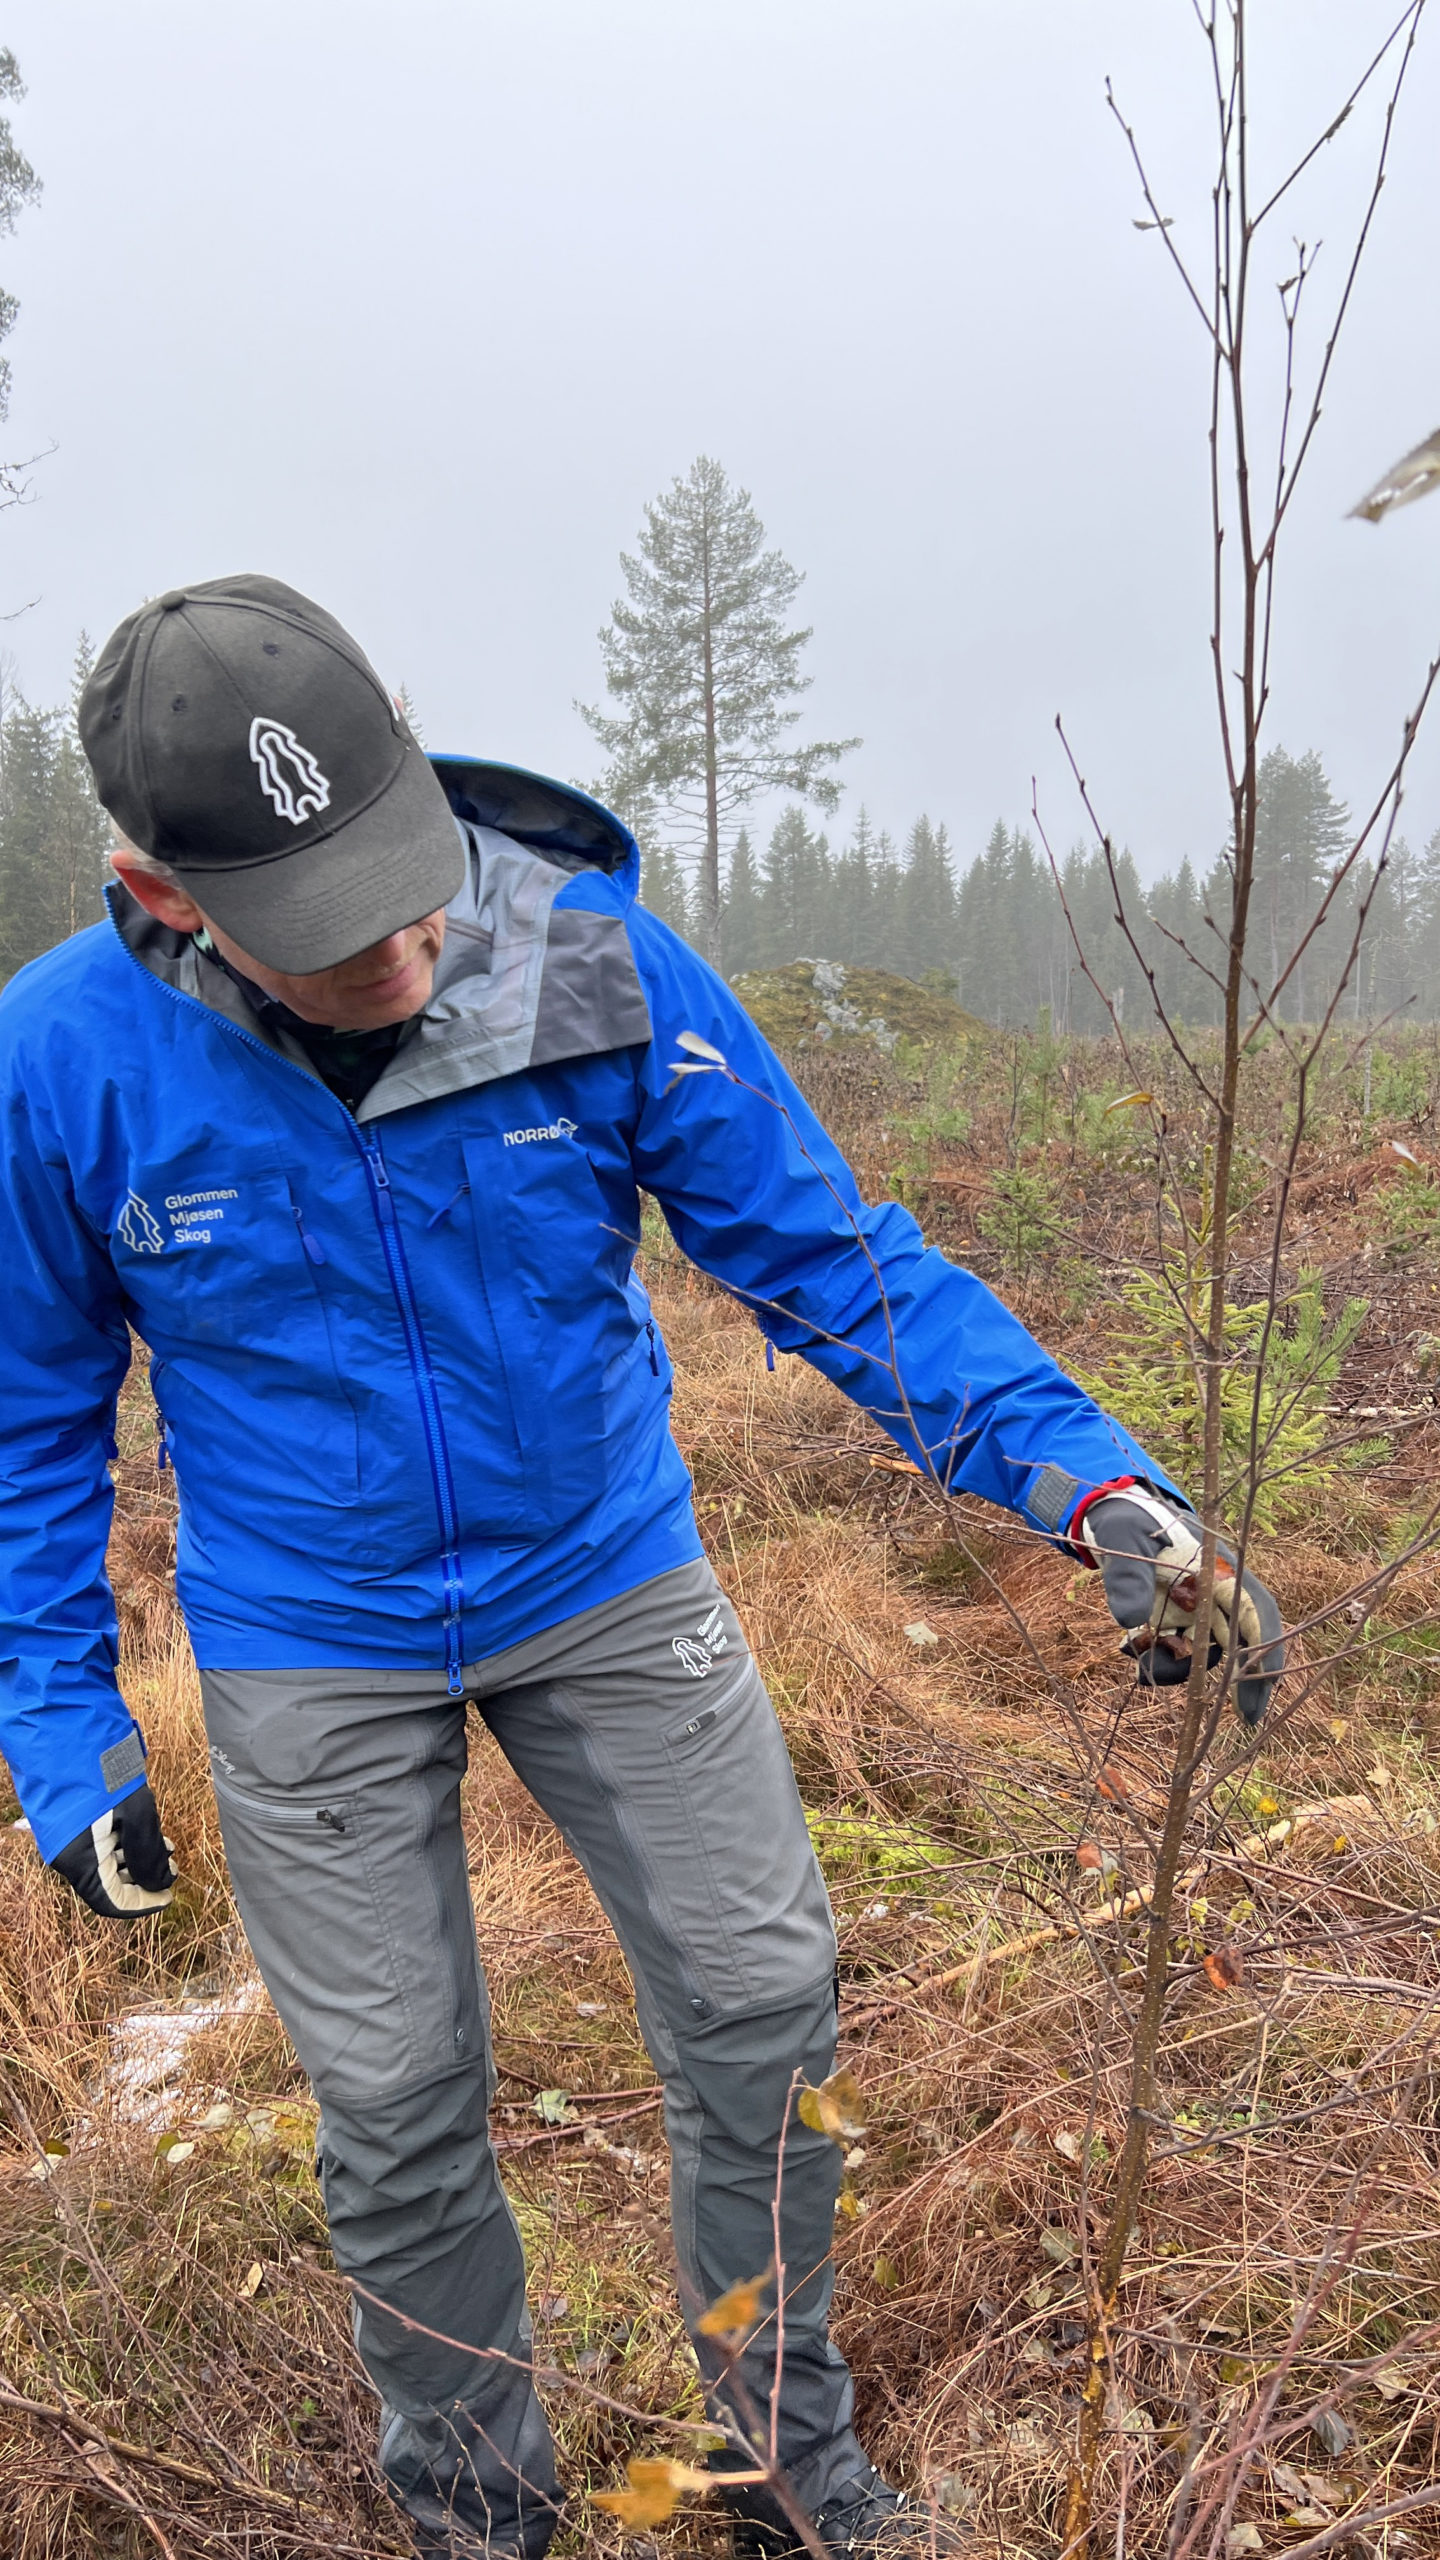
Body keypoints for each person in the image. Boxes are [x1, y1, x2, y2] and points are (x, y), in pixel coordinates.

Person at [0, 576, 1282, 2559]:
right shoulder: (64, 1063)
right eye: (342, 934)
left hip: (602, 1568)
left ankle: (793, 2465)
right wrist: (69, 1731)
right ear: (165, 896)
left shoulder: (585, 954)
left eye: (416, 880)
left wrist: (1098, 1481)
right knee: (404, 2102)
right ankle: (484, 2508)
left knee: (766, 1997)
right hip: (307, 1631)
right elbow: (28, 1422)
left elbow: (832, 1252)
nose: (415, 952)